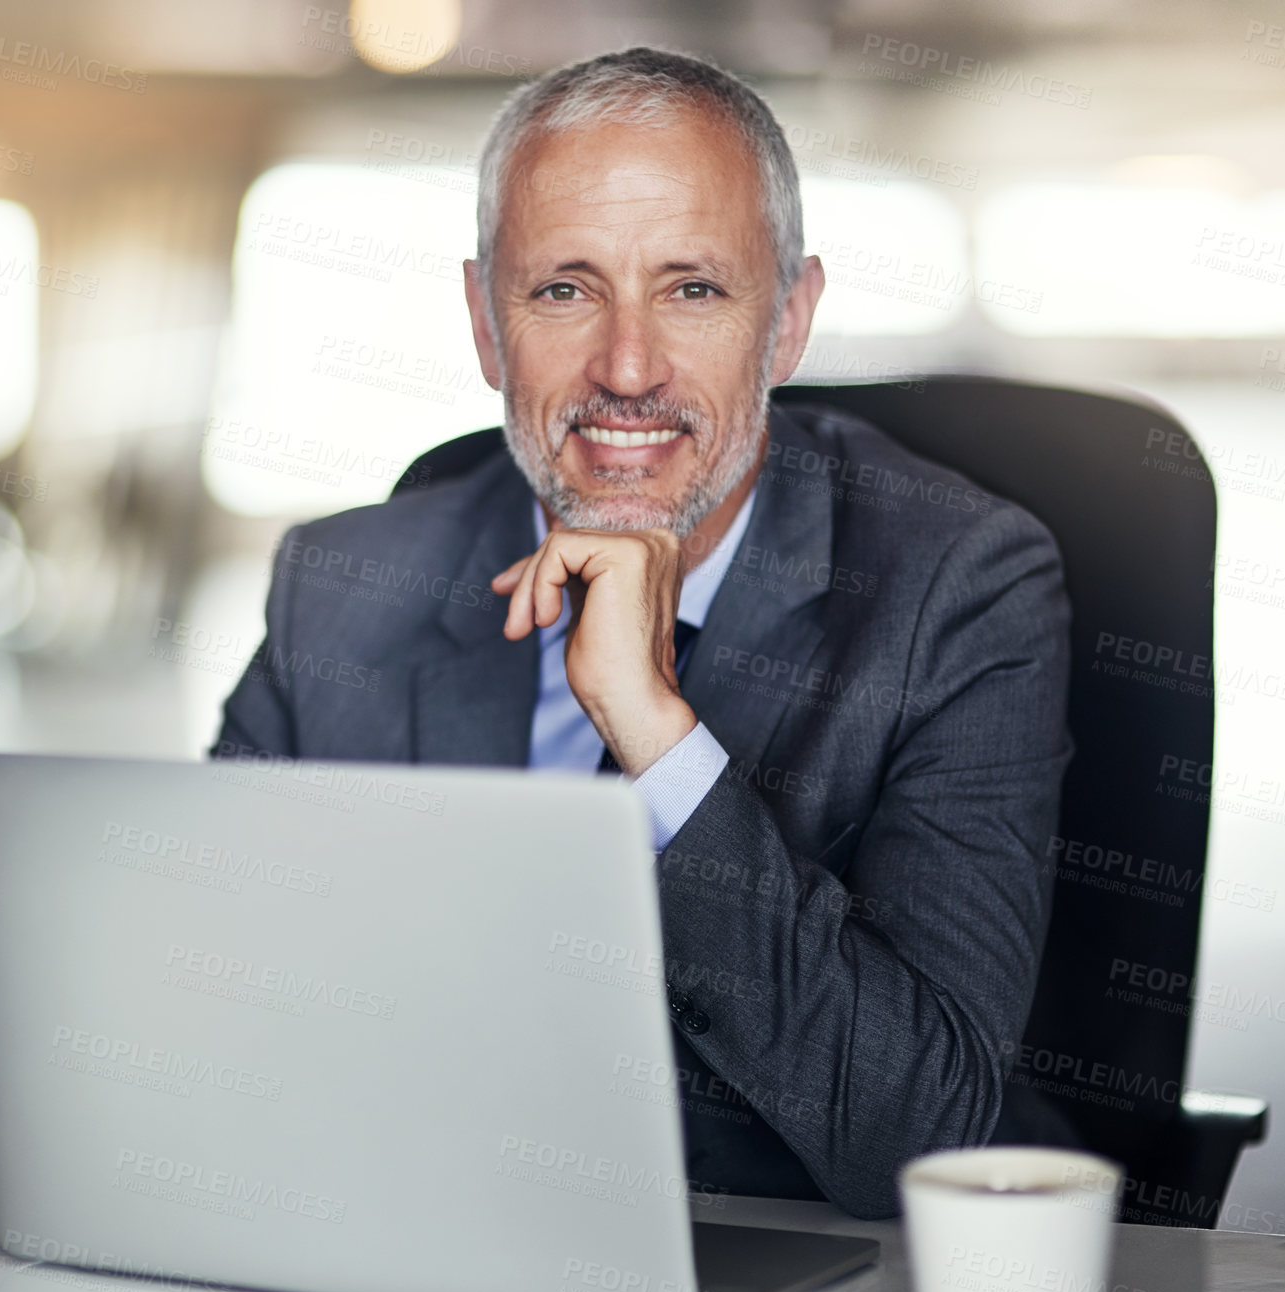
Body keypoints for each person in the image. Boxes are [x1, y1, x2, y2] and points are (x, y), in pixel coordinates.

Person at [213, 46, 1072, 1219]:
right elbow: (210, 1016)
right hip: (410, 1257)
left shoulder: (960, 587)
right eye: (563, 289)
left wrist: (656, 731)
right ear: (483, 322)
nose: (626, 367)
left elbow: (918, 1133)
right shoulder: (344, 583)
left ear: (787, 321)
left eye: (692, 289)